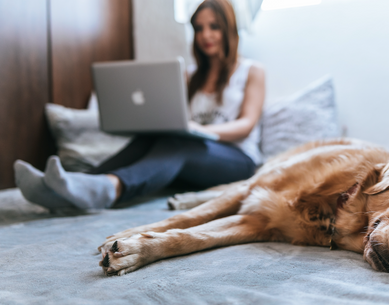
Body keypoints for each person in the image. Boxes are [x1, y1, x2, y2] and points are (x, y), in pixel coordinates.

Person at [14, 0, 265, 210]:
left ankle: (110, 188)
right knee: (155, 139)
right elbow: (175, 117)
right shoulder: (189, 75)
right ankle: (72, 186)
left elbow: (246, 124)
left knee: (179, 143)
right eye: (199, 28)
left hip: (237, 160)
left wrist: (202, 131)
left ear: (228, 29)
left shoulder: (251, 71)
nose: (205, 35)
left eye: (214, 27)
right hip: (193, 151)